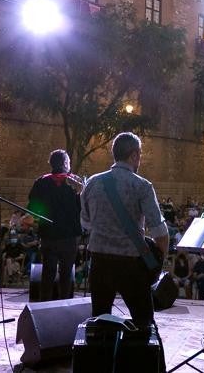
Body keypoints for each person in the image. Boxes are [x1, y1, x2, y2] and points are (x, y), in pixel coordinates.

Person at [79, 132, 169, 329]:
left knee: (100, 322)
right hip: (131, 266)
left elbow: (86, 223)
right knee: (143, 322)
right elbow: (160, 234)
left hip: (99, 262)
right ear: (134, 155)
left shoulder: (92, 182)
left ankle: (104, 358)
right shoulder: (142, 186)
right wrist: (157, 266)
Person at [27, 149, 83, 301]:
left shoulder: (41, 182)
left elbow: (33, 207)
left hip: (48, 234)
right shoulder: (75, 182)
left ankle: (44, 306)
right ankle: (64, 306)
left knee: (47, 273)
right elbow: (84, 206)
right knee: (66, 274)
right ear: (65, 163)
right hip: (70, 236)